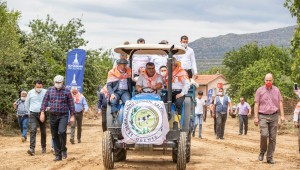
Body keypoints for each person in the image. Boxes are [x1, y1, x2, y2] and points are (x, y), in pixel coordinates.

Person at [40, 75, 75, 161]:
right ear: (54, 82)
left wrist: (72, 116)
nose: (57, 84)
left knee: (62, 132)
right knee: (54, 135)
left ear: (62, 82)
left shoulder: (67, 91)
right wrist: (42, 112)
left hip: (63, 115)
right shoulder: (50, 90)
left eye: (59, 83)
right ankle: (58, 155)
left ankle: (63, 149)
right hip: (53, 115)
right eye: (56, 82)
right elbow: (44, 101)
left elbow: (71, 104)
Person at [254, 73, 285, 164]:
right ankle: (262, 151)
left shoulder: (277, 90)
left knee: (272, 138)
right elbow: (256, 104)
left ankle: (270, 157)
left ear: (273, 80)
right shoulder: (259, 90)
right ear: (264, 81)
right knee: (264, 134)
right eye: (266, 80)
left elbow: (280, 103)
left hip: (274, 115)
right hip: (262, 115)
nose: (268, 82)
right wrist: (256, 117)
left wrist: (282, 115)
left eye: (270, 80)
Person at [25, 80, 47, 156]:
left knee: (43, 131)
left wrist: (47, 108)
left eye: (40, 87)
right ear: (35, 86)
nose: (39, 88)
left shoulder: (45, 92)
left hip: (42, 113)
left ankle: (43, 147)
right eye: (37, 87)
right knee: (33, 130)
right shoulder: (30, 92)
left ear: (42, 86)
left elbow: (49, 101)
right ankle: (32, 149)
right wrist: (28, 112)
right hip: (33, 113)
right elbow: (26, 103)